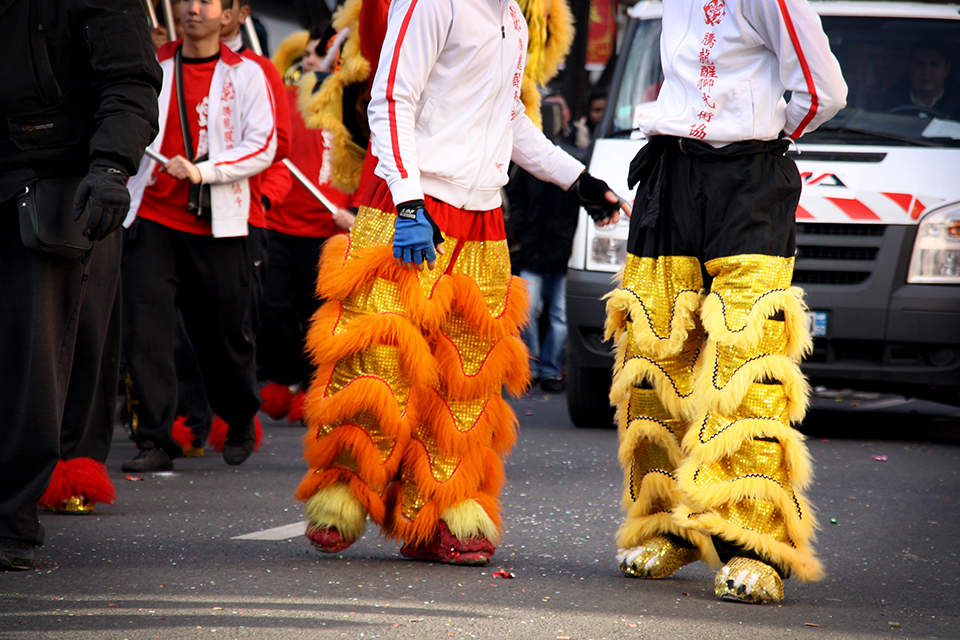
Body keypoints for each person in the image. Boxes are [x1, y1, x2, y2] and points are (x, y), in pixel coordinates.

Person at [295, 0, 628, 566]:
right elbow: (391, 98)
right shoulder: (431, 4)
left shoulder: (514, 21)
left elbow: (510, 121)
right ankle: (344, 492)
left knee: (465, 376)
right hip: (412, 207)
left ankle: (440, 510)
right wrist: (406, 200)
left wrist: (578, 181)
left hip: (481, 219)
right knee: (380, 356)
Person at [604, 0, 847, 604]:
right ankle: (669, 527)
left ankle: (754, 546)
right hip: (671, 173)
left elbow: (824, 92)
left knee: (747, 359)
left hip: (749, 179)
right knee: (654, 349)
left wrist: (758, 131)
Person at [0, 0, 161, 569]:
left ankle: (10, 521)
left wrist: (111, 166)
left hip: (54, 187)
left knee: (32, 363)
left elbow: (131, 79)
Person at [119, 0, 277, 473]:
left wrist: (204, 172)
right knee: (146, 331)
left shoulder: (247, 73)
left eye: (207, 2)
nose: (192, 8)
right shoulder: (155, 65)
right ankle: (155, 437)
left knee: (225, 334)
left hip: (220, 220)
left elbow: (263, 144)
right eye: (188, 1)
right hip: (152, 217)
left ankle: (240, 416)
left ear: (230, 15)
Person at [255, 25, 355, 421]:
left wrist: (358, 211)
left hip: (330, 232)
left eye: (320, 55)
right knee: (272, 307)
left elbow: (369, 163)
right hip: (279, 224)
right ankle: (285, 377)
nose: (311, 61)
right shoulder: (285, 97)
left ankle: (314, 388)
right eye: (308, 55)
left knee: (319, 315)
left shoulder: (353, 106)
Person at [507, 95, 581, 393]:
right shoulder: (527, 161)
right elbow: (516, 199)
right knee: (529, 311)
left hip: (561, 251)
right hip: (533, 248)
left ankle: (549, 369)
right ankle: (533, 367)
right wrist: (522, 232)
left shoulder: (575, 156)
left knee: (558, 314)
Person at [881, 43, 959, 120]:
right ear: (910, 68)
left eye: (934, 65)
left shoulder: (957, 105)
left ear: (946, 70)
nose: (926, 71)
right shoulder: (886, 104)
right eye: (919, 64)